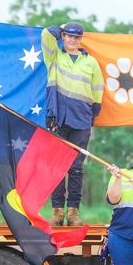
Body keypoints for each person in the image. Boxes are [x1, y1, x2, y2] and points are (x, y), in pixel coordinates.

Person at [41, 21, 104, 226]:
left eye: (76, 37)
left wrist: (95, 109)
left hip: (82, 118)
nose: (72, 40)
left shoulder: (91, 63)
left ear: (81, 39)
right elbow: (45, 35)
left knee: (76, 167)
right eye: (68, 36)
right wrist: (60, 30)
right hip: (57, 117)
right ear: (64, 37)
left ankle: (73, 213)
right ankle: (57, 212)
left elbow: (97, 88)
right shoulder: (54, 56)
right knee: (56, 166)